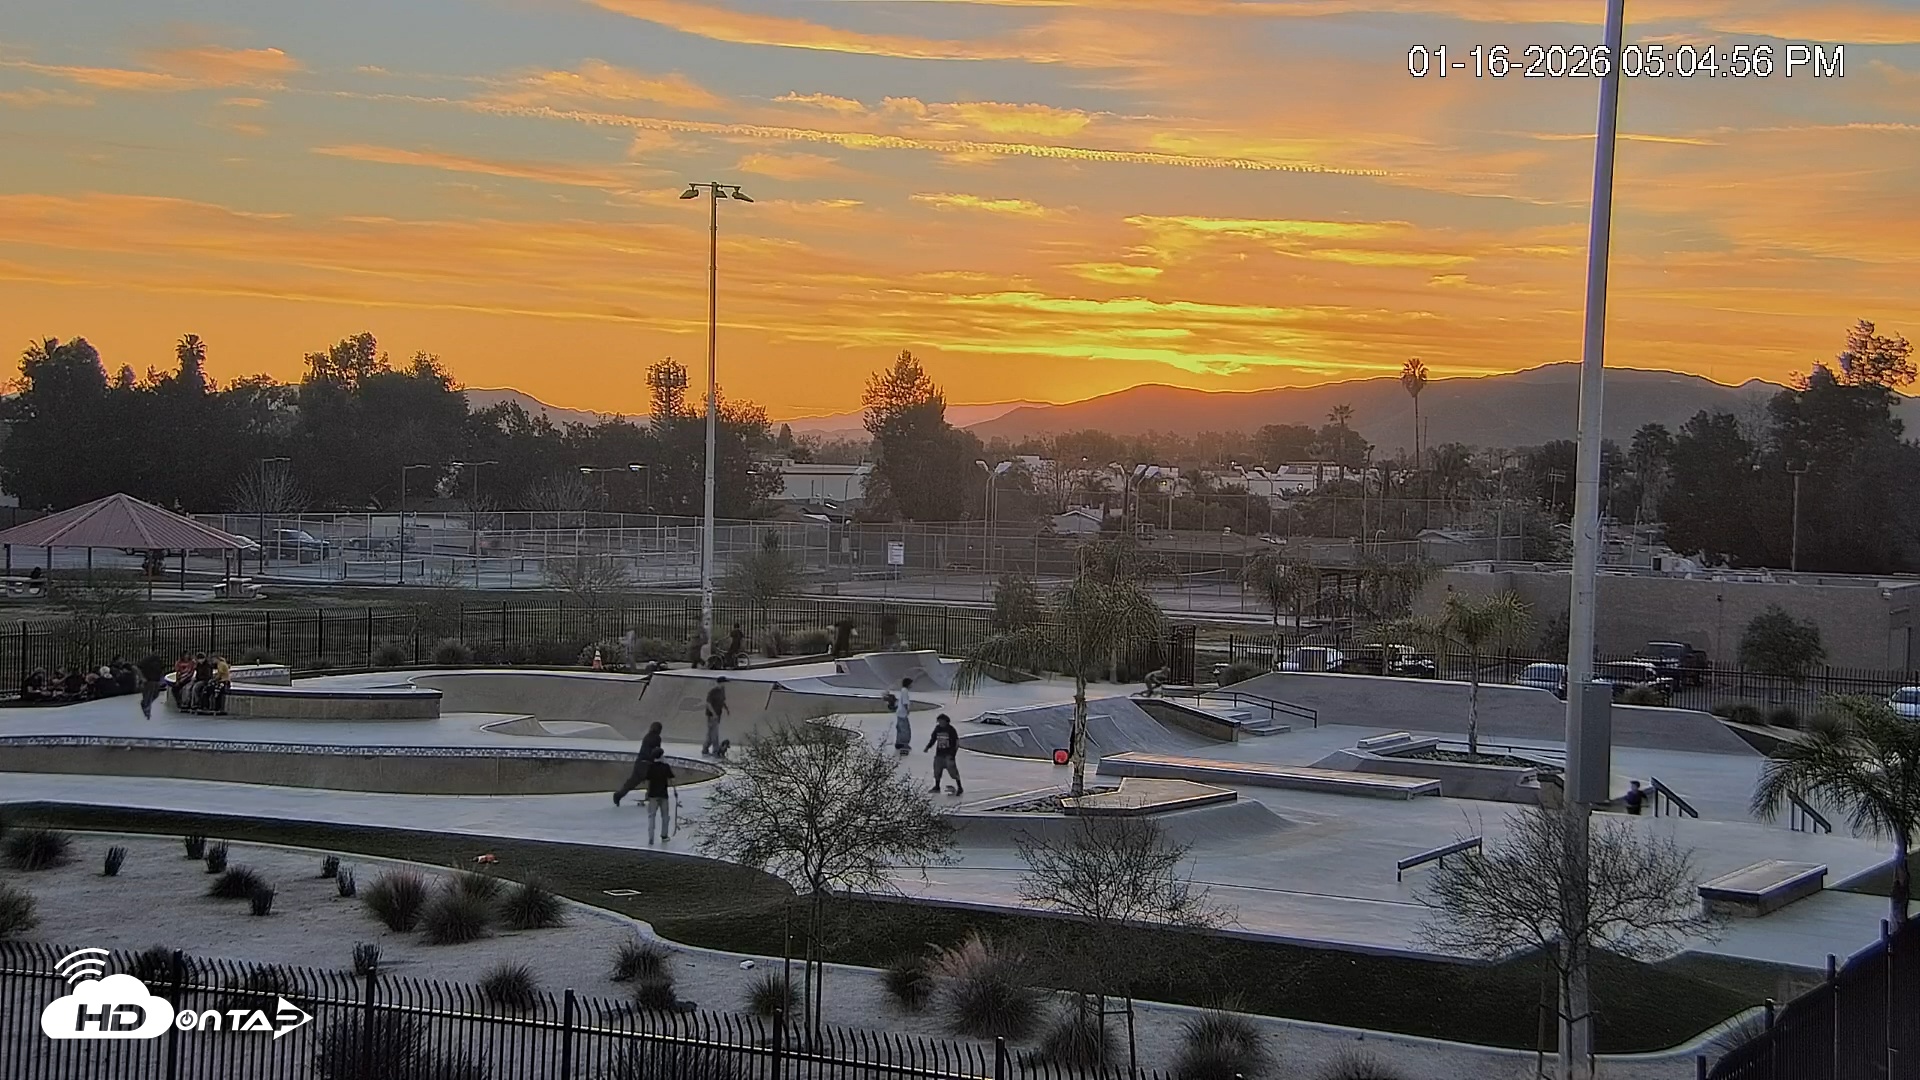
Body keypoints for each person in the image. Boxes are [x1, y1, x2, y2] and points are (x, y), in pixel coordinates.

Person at [613, 723, 666, 807]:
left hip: (639, 762)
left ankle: (619, 795)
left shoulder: (647, 736)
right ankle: (651, 796)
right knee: (655, 778)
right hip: (647, 764)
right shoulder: (657, 738)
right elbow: (656, 752)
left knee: (632, 782)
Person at [925, 713, 963, 796]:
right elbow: (933, 738)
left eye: (941, 721)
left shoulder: (951, 730)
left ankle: (960, 787)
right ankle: (937, 786)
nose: (940, 723)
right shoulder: (937, 729)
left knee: (953, 772)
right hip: (939, 754)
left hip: (948, 755)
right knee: (937, 771)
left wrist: (952, 755)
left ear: (946, 721)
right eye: (938, 721)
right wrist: (928, 747)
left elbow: (956, 743)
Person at [643, 755, 676, 844]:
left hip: (653, 795)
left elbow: (648, 781)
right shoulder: (666, 767)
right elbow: (672, 779)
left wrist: (647, 793)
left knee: (651, 816)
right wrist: (675, 791)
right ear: (661, 757)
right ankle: (664, 835)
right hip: (663, 795)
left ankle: (651, 837)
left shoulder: (651, 767)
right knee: (665, 816)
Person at [702, 676, 729, 756]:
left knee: (710, 735)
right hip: (711, 716)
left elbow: (722, 701)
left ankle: (705, 749)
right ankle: (716, 750)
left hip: (718, 715)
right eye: (724, 683)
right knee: (714, 734)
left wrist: (726, 709)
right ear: (720, 683)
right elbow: (708, 703)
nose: (724, 685)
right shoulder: (713, 692)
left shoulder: (722, 691)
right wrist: (713, 713)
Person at [136, 654, 166, 720]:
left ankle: (144, 704)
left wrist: (161, 678)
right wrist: (142, 678)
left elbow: (162, 669)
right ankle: (147, 710)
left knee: (156, 694)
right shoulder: (146, 660)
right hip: (149, 680)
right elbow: (138, 667)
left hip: (156, 680)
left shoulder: (159, 660)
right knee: (148, 695)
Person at [892, 677, 914, 753]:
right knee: (905, 729)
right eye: (911, 684)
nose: (912, 685)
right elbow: (905, 701)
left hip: (900, 712)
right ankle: (904, 744)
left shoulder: (903, 690)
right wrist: (907, 709)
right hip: (902, 713)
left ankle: (898, 742)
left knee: (900, 728)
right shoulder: (905, 691)